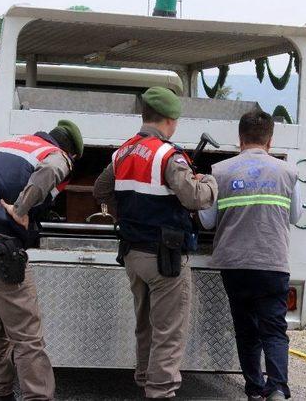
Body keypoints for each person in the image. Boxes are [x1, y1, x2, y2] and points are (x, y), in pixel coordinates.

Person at [93, 86, 217, 399]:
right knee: (169, 331)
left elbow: (100, 190)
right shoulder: (168, 155)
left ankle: (145, 378)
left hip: (133, 253)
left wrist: (127, 213)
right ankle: (160, 391)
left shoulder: (123, 152)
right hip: (166, 259)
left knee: (145, 324)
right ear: (171, 120)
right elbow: (193, 198)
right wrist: (210, 182)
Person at [0, 120, 83, 401]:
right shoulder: (56, 156)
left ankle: (1, 395)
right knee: (27, 337)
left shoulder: (8, 145)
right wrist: (22, 209)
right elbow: (50, 171)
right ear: (71, 152)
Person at [199, 110, 301, 401]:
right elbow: (294, 216)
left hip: (234, 265)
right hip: (273, 263)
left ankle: (255, 389)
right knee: (274, 330)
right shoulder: (288, 173)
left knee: (246, 329)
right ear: (270, 139)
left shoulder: (218, 171)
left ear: (239, 138)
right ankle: (278, 387)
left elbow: (207, 222)